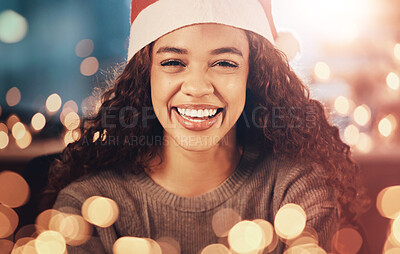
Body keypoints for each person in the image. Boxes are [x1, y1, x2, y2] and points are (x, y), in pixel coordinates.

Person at [44, 0, 369, 253]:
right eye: (173, 62)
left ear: (252, 76)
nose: (198, 87)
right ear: (147, 76)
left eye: (225, 63)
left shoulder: (295, 193)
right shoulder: (89, 205)